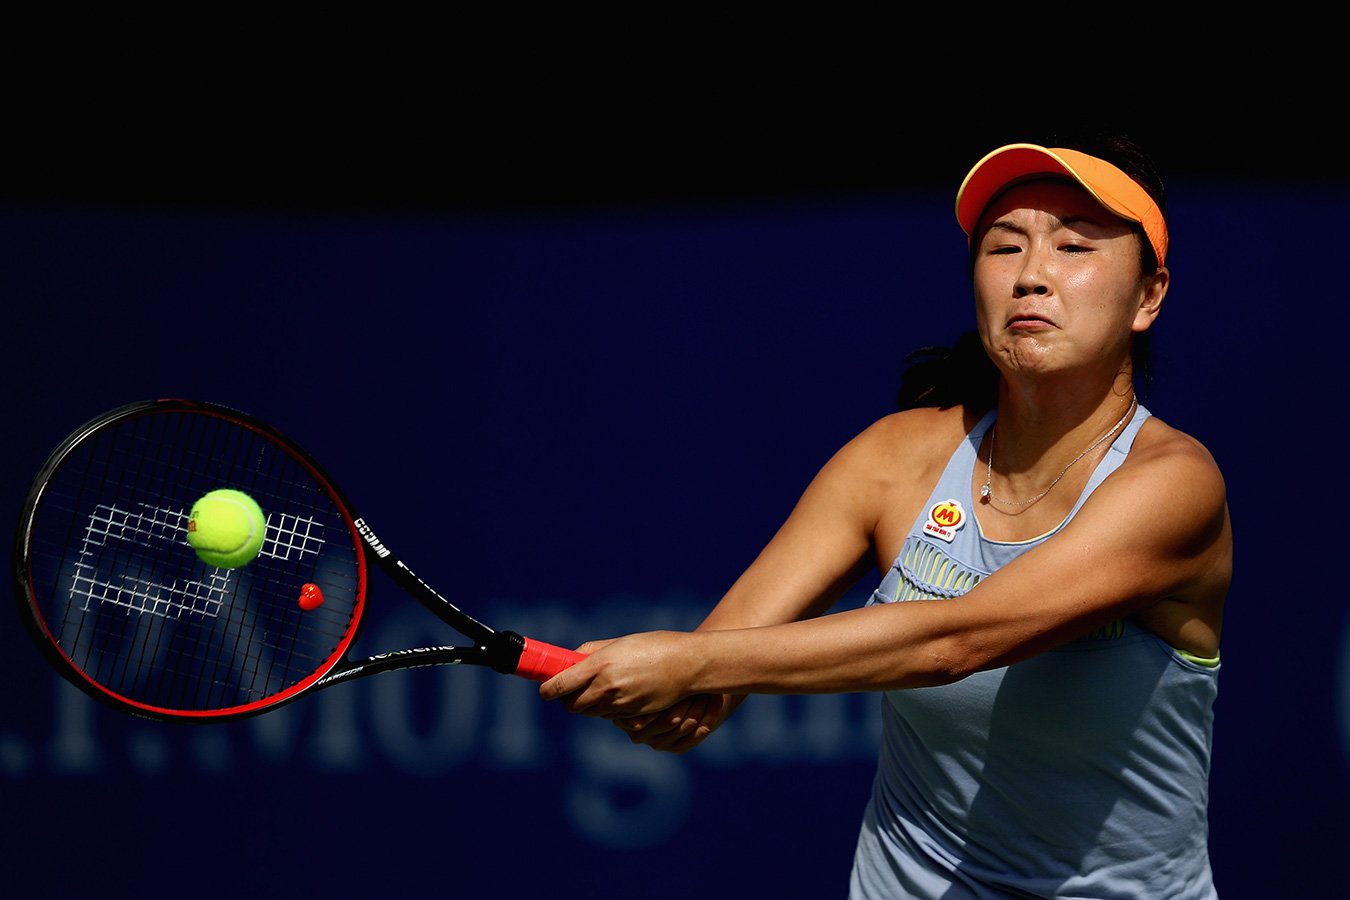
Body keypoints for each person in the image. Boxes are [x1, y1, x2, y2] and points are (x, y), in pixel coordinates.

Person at [540, 133, 1232, 898]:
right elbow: (722, 656)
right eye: (1005, 247)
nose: (1032, 275)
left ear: (1148, 296)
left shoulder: (1173, 485)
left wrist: (690, 665)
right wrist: (685, 695)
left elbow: (956, 642)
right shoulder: (893, 457)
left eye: (1074, 247)